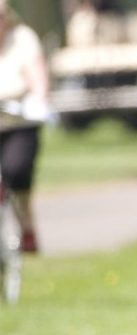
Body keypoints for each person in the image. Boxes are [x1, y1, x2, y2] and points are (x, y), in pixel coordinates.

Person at [0, 0, 51, 253]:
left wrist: (40, 97)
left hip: (19, 121)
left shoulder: (22, 38)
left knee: (16, 170)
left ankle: (26, 227)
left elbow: (36, 73)